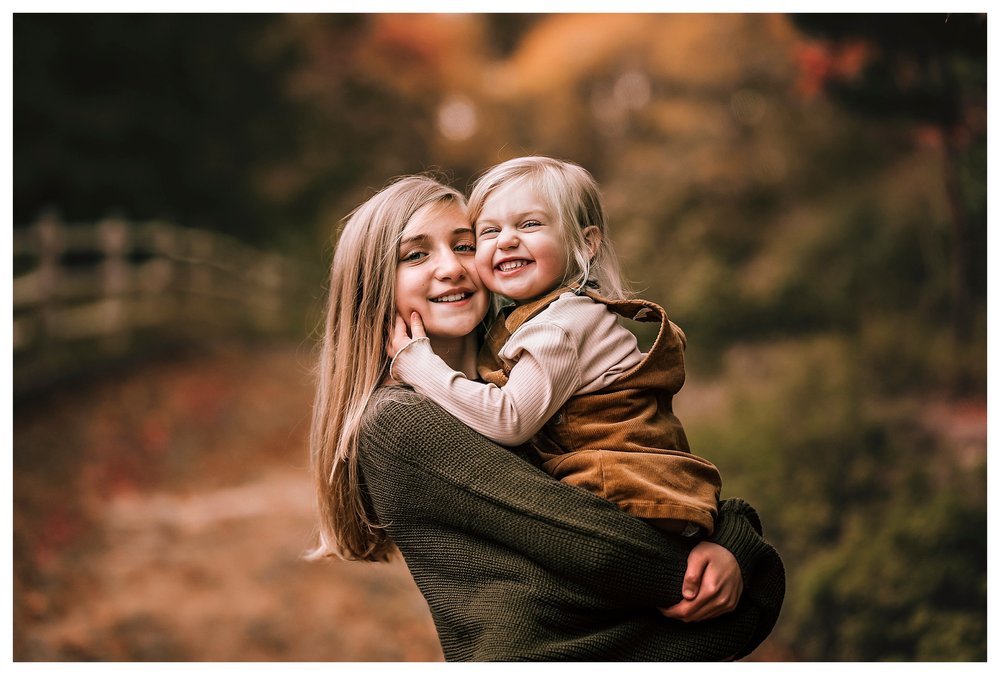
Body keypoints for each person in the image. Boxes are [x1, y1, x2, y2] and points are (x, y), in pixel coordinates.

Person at [309, 173, 784, 661]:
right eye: (416, 254)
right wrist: (740, 551)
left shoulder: (533, 372)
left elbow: (646, 480)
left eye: (465, 244)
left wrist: (731, 538)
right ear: (370, 288)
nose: (451, 267)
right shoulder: (400, 422)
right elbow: (608, 550)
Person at [389, 156, 721, 538]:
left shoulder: (559, 326)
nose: (508, 239)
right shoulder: (535, 318)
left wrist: (417, 364)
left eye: (529, 224)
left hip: (628, 488)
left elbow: (508, 420)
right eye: (489, 231)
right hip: (637, 491)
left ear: (585, 242)